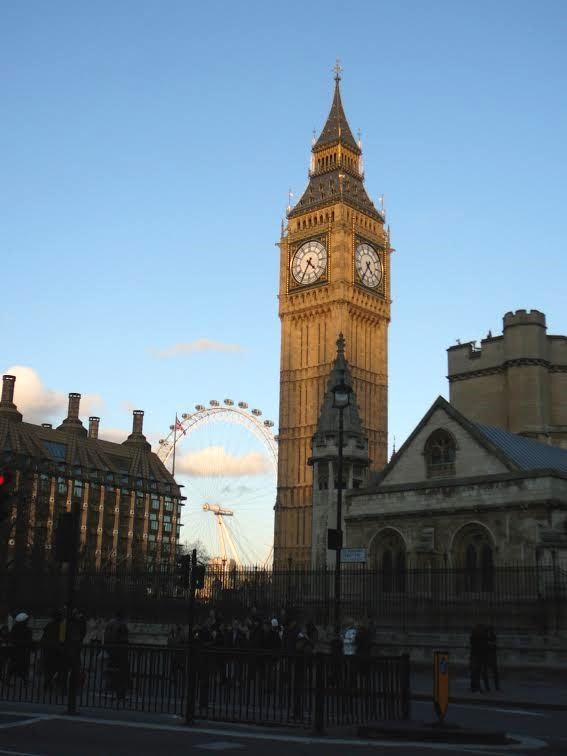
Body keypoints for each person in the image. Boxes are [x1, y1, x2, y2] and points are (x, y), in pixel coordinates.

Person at [103, 609, 129, 700]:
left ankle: (109, 688)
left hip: (110, 649)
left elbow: (106, 636)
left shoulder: (109, 624)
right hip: (119, 651)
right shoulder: (121, 625)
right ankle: (120, 692)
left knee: (111, 670)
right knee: (121, 672)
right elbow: (124, 640)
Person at [9, 612, 33, 684]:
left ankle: (22, 678)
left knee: (16, 665)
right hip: (23, 650)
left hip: (16, 649)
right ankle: (24, 678)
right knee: (19, 665)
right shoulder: (27, 630)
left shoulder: (14, 628)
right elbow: (29, 640)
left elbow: (12, 638)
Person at [469, 623, 489, 693]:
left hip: (475, 656)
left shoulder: (475, 636)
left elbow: (473, 645)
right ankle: (477, 687)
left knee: (475, 672)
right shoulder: (481, 636)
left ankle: (474, 687)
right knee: (478, 672)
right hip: (478, 656)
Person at [484, 626, 500, 692]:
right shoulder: (485, 637)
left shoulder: (493, 637)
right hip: (487, 658)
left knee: (495, 673)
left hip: (492, 658)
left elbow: (494, 646)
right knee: (486, 673)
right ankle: (488, 688)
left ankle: (497, 687)